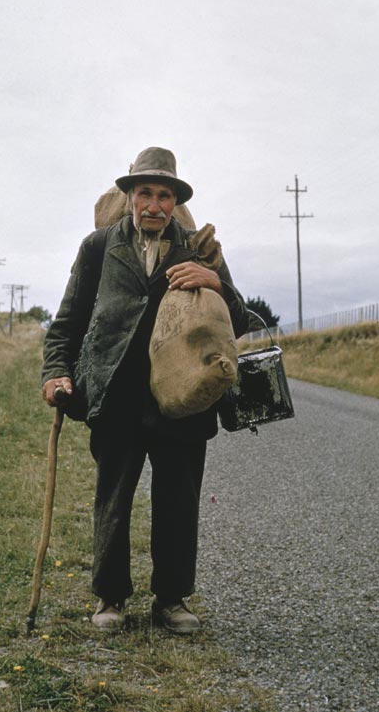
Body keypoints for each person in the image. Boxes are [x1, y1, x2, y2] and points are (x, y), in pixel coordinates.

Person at [42, 147, 248, 634]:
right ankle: (110, 598)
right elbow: (66, 324)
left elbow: (239, 321)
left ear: (175, 201)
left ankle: (172, 600)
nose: (154, 205)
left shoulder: (198, 248)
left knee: (178, 500)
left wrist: (214, 281)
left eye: (164, 195)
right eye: (145, 194)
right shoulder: (97, 247)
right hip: (115, 392)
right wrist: (56, 372)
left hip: (182, 397)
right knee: (112, 498)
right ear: (129, 196)